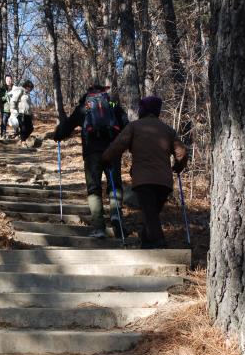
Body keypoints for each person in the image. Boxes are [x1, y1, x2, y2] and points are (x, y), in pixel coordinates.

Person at [102, 95, 187, 249]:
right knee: (152, 213)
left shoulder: (134, 127)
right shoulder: (168, 130)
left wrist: (105, 158)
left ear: (143, 109)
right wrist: (177, 167)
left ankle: (159, 244)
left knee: (150, 213)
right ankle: (146, 241)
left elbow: (118, 145)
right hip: (164, 182)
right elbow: (182, 153)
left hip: (143, 180)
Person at [52, 81, 127, 239]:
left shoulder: (84, 107)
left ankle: (99, 227)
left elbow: (67, 126)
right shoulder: (112, 104)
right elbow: (126, 125)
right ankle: (116, 215)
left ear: (89, 92)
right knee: (115, 186)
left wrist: (57, 135)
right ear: (103, 92)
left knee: (94, 189)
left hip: (92, 152)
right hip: (112, 150)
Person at [0, 73, 13, 139]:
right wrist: (6, 97)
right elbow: (0, 99)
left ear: (11, 80)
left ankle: (17, 134)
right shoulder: (2, 89)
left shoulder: (14, 88)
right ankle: (3, 135)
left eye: (9, 79)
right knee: (4, 122)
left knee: (17, 122)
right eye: (7, 79)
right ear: (5, 80)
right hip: (5, 109)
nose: (8, 81)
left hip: (13, 109)